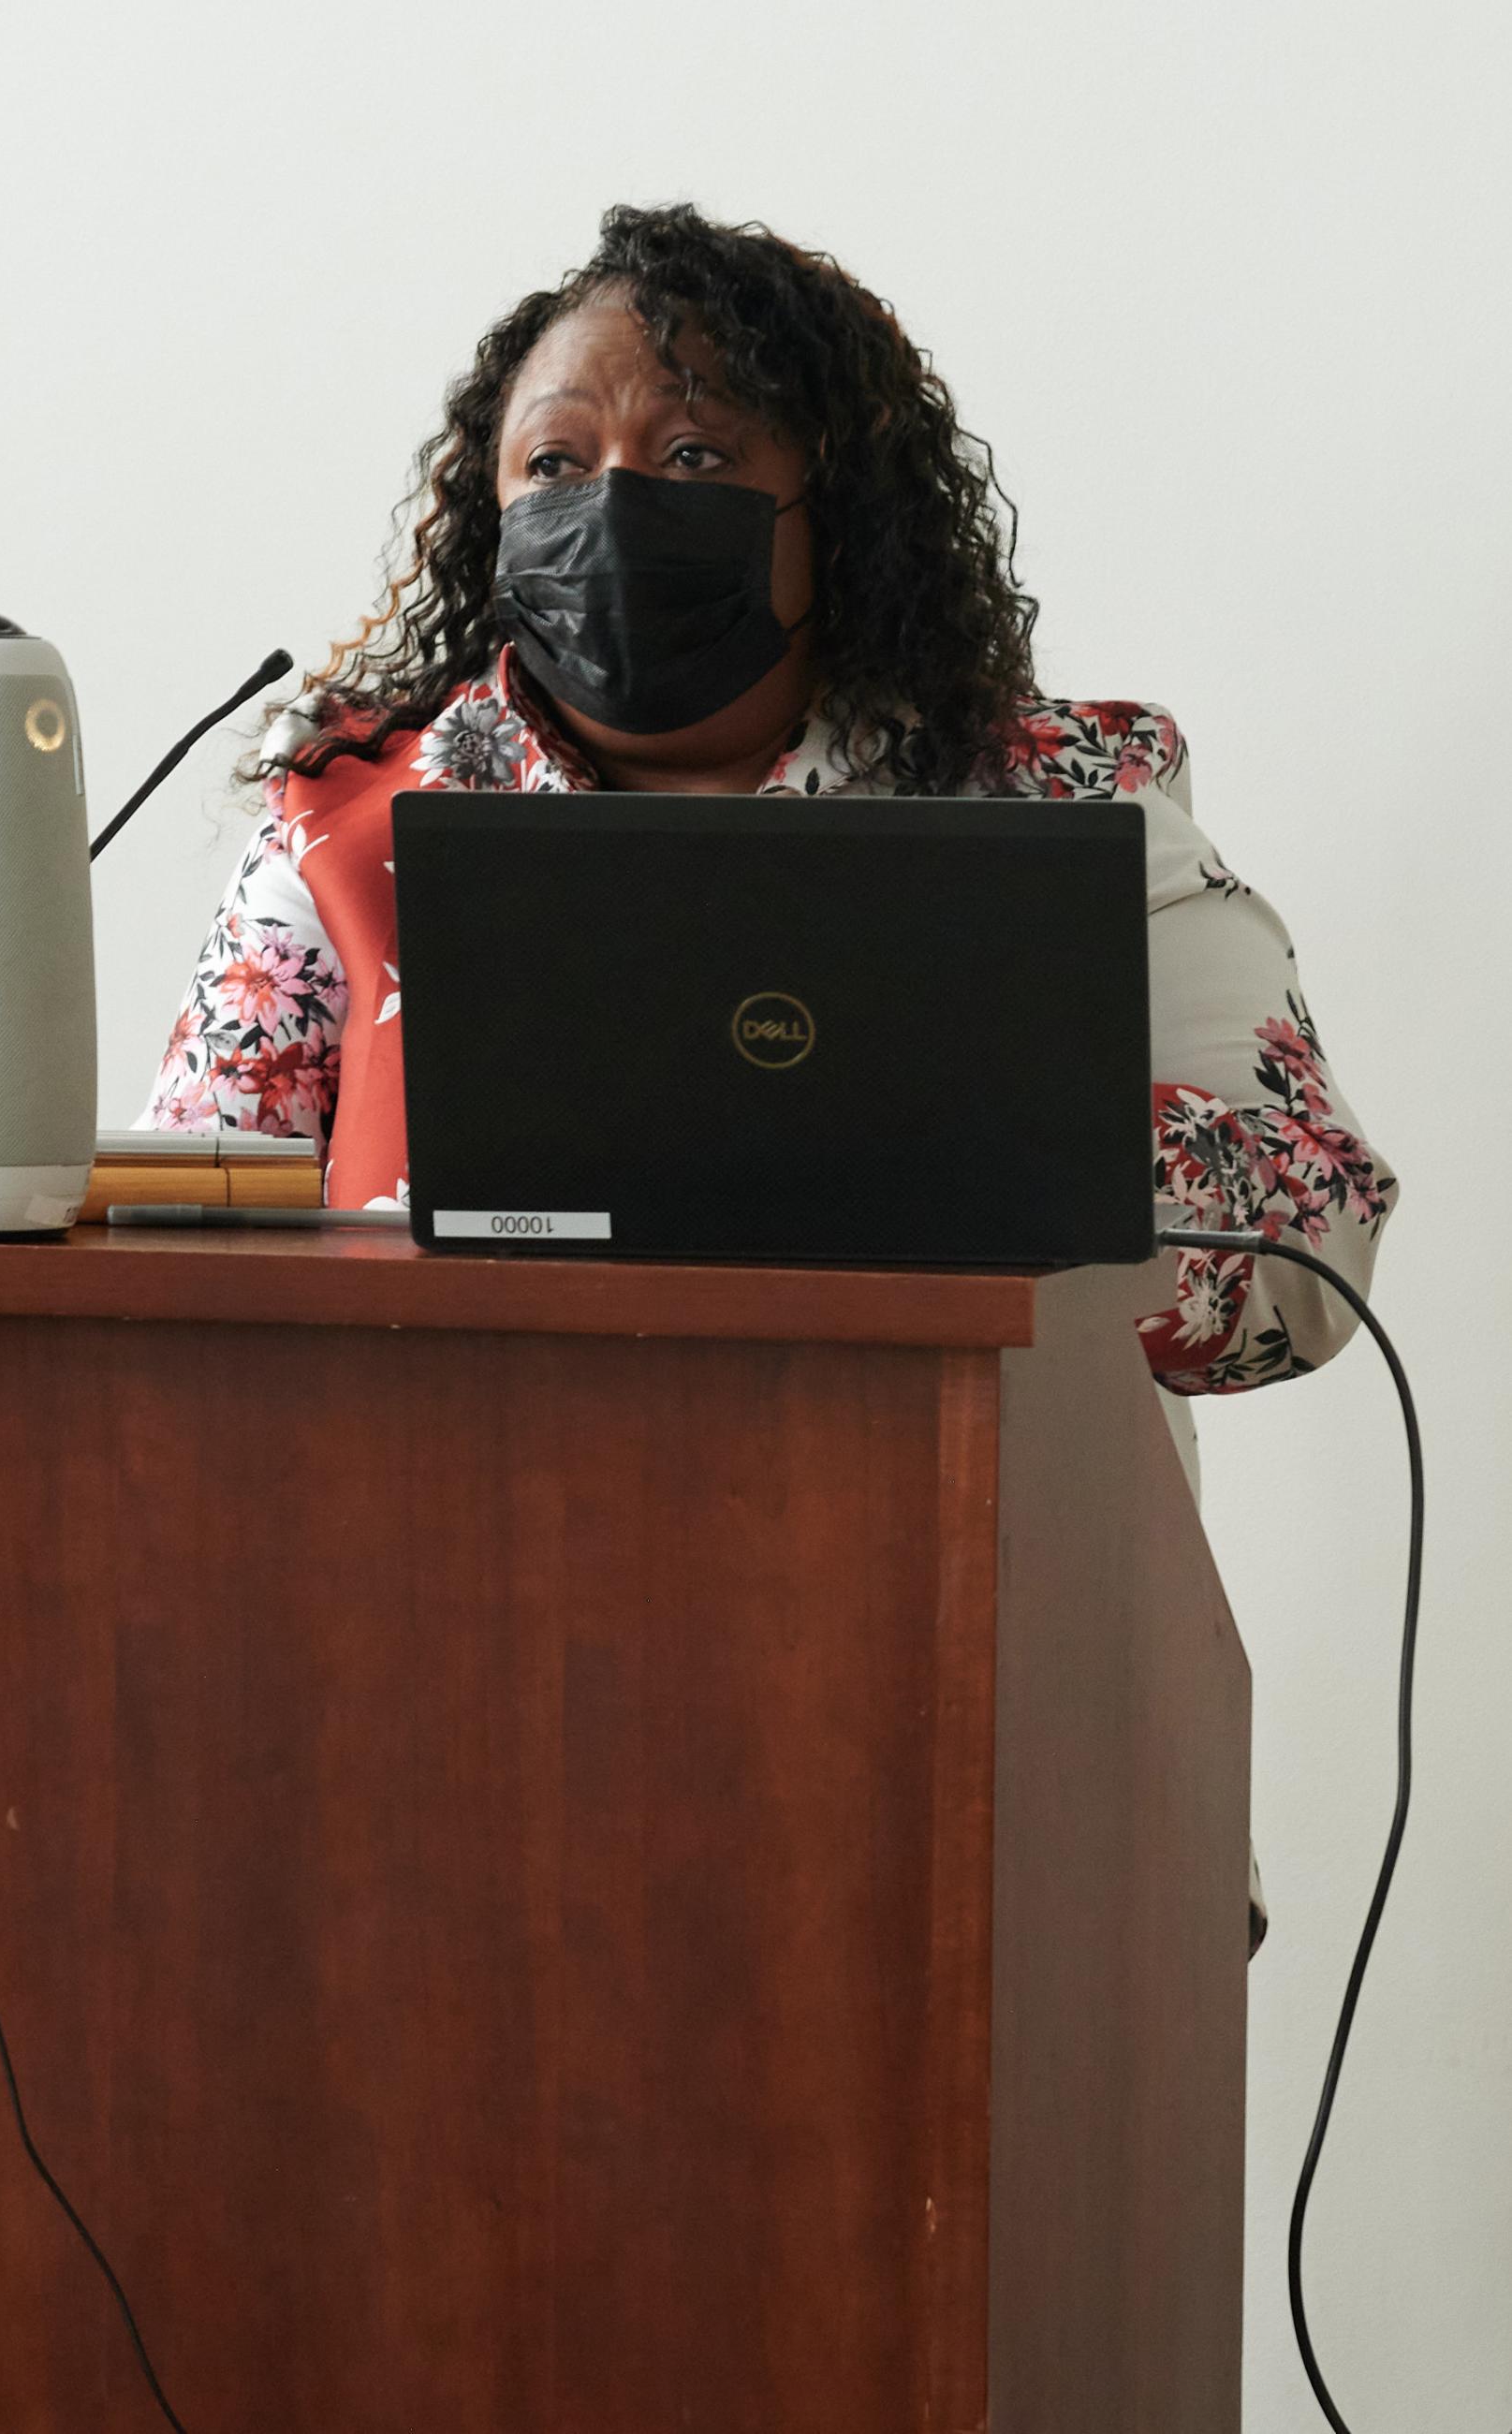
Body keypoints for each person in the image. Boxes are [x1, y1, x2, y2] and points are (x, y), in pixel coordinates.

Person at [144, 207, 1397, 1943]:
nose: (615, 502)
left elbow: (1306, 1239)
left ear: (842, 510)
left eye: (698, 452)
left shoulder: (1055, 811)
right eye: (557, 461)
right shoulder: (352, 831)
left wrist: (926, 1161)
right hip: (435, 1715)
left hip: (973, 1713)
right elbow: (179, 1256)